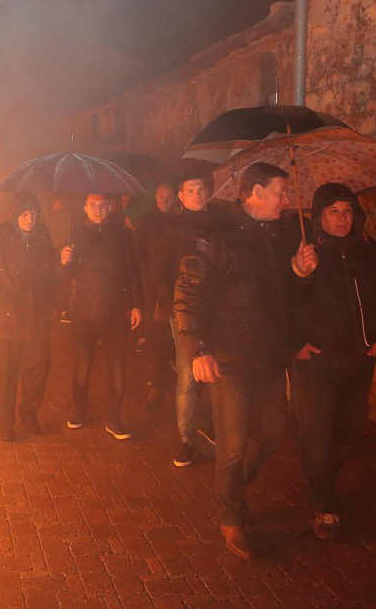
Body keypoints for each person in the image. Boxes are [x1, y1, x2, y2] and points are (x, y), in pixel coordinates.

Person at [174, 162, 317, 560]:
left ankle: (233, 491)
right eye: (279, 192)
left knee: (273, 433)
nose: (285, 200)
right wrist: (198, 347)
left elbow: (282, 298)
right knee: (233, 445)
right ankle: (232, 517)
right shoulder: (213, 235)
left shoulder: (277, 236)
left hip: (268, 356)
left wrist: (298, 271)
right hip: (230, 357)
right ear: (255, 193)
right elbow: (187, 294)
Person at [291, 182, 376, 540]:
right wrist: (301, 272)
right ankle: (324, 505)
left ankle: (322, 476)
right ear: (320, 216)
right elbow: (287, 301)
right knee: (317, 432)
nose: (342, 218)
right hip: (317, 360)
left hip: (359, 356)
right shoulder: (306, 253)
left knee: (348, 431)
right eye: (333, 211)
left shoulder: (369, 249)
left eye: (347, 210)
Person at [0, 192, 58, 442]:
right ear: (14, 215)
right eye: (24, 214)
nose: (29, 219)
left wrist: (62, 264)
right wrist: (10, 307)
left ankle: (29, 413)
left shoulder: (42, 234)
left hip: (37, 317)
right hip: (6, 319)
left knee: (37, 368)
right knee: (5, 374)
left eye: (33, 214)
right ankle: (5, 421)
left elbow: (51, 273)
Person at [60, 193, 143, 439]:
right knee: (82, 366)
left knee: (117, 368)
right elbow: (65, 277)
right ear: (84, 208)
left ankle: (115, 419)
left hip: (116, 310)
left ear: (110, 207)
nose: (98, 209)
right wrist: (64, 262)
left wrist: (137, 305)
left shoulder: (122, 235)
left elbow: (133, 271)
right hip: (84, 311)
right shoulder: (74, 234)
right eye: (93, 205)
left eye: (102, 205)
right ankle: (79, 410)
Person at [163, 171, 220, 469]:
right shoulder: (172, 228)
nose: (198, 195)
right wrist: (172, 309)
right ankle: (188, 439)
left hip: (219, 311)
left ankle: (208, 427)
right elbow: (163, 271)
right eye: (191, 191)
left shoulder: (222, 223)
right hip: (185, 312)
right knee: (188, 377)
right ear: (181, 196)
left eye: (201, 189)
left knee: (218, 371)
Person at [133, 181, 177, 408]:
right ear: (155, 198)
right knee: (157, 337)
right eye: (161, 197)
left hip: (175, 287)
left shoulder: (180, 221)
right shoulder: (146, 222)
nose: (165, 202)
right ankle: (157, 385)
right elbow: (139, 254)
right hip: (153, 289)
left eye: (169, 197)